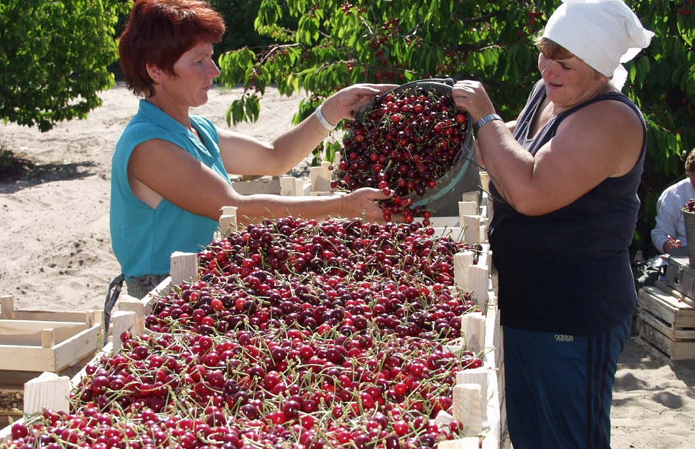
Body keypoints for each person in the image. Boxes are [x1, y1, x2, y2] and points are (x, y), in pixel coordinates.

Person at [451, 0, 653, 448]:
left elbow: (530, 192)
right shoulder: (550, 93)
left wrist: (486, 115)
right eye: (545, 56)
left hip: (572, 314)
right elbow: (504, 157)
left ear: (601, 67)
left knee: (567, 439)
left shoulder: (609, 118)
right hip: (528, 306)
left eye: (565, 64)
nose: (548, 71)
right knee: (529, 436)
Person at [109, 0, 396, 299]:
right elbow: (233, 209)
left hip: (202, 281)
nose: (215, 71)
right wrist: (341, 206)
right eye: (199, 61)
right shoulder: (148, 144)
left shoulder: (198, 130)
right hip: (162, 293)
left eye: (212, 57)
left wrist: (333, 109)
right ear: (156, 70)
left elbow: (274, 157)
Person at [651, 148, 695, 253]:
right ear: (688, 173)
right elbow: (660, 233)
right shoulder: (674, 195)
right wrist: (668, 244)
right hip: (685, 259)